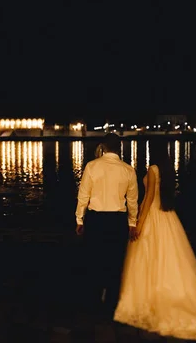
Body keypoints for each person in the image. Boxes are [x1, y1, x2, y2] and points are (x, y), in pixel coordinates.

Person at [113, 145, 196, 341]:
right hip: (167, 216)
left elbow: (149, 198)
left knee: (150, 256)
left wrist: (138, 224)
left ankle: (152, 298)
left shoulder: (153, 169)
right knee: (168, 257)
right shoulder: (166, 171)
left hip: (153, 217)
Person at [75, 133, 139, 318]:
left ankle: (94, 302)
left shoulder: (92, 166)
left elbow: (83, 195)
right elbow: (132, 201)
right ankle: (111, 303)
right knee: (115, 261)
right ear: (119, 147)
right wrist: (132, 223)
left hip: (96, 219)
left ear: (103, 146)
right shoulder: (128, 170)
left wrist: (80, 219)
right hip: (117, 220)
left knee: (94, 259)